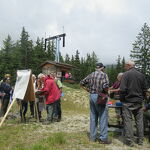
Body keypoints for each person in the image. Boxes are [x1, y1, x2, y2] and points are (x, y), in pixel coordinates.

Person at [80, 62, 111, 144]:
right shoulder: (104, 75)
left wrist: (87, 90)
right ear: (102, 68)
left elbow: (81, 83)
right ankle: (103, 139)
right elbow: (105, 86)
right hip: (101, 97)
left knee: (93, 117)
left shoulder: (91, 75)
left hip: (92, 96)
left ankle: (92, 137)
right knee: (103, 117)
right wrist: (107, 93)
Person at [120, 60, 147, 146]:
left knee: (128, 121)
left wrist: (122, 99)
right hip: (138, 101)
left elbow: (123, 89)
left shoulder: (125, 75)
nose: (124, 67)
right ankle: (140, 141)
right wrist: (143, 99)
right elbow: (145, 89)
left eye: (125, 66)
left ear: (128, 65)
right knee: (139, 121)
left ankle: (129, 141)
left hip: (128, 101)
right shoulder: (141, 75)